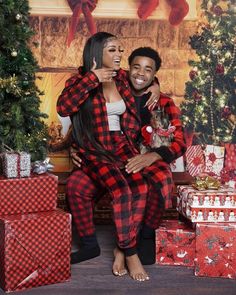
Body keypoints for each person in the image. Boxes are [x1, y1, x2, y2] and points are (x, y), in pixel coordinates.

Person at [67, 46, 187, 271]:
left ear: (154, 74)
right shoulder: (117, 89)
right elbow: (86, 116)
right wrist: (75, 147)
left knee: (162, 179)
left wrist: (152, 156)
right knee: (76, 183)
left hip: (144, 158)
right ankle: (89, 243)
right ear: (127, 69)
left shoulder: (165, 102)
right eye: (136, 67)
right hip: (109, 156)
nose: (141, 73)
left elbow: (180, 142)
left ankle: (144, 237)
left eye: (148, 71)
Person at [57, 32, 156, 282]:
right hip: (95, 148)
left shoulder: (121, 77)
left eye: (120, 50)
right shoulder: (79, 80)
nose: (119, 54)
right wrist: (92, 78)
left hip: (121, 144)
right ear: (97, 52)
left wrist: (156, 85)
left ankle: (120, 248)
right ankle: (129, 252)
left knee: (141, 185)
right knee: (121, 191)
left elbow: (142, 77)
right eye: (112, 50)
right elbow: (64, 107)